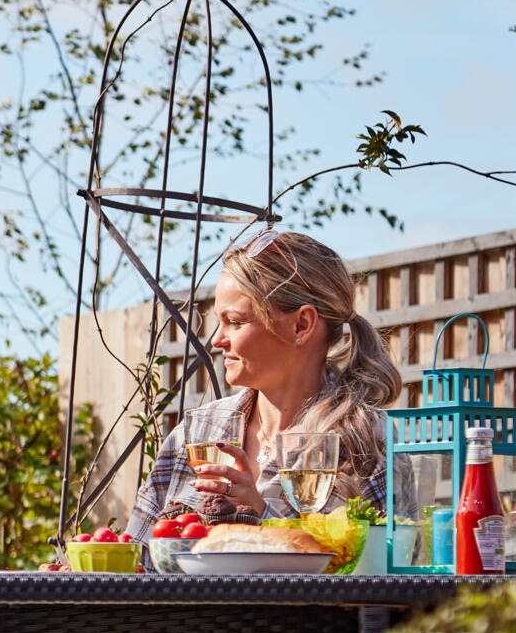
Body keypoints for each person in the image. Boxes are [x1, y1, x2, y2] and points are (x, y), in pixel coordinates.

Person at [125, 229, 402, 549]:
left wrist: (259, 513)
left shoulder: (367, 442)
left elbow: (388, 581)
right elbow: (138, 558)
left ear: (301, 325)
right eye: (219, 321)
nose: (216, 340)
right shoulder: (198, 433)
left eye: (235, 322)